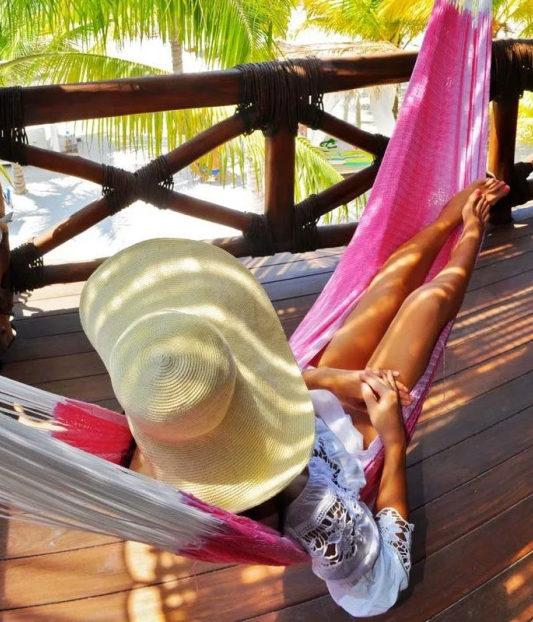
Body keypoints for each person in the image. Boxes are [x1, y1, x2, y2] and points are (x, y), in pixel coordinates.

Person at [79, 177, 509, 618]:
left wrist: (330, 380)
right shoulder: (315, 513)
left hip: (299, 404)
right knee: (427, 302)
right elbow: (379, 587)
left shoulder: (165, 407)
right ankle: (472, 230)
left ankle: (447, 222)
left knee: (387, 285)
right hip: (348, 441)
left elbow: (259, 384)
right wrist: (394, 442)